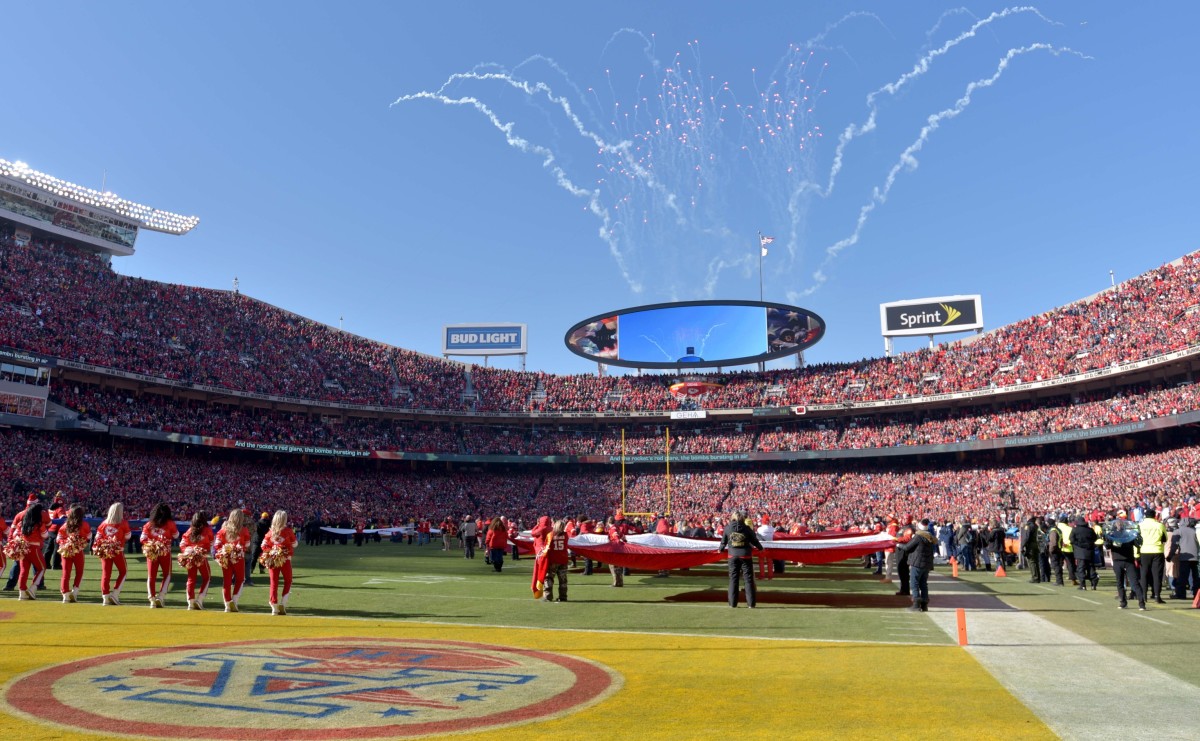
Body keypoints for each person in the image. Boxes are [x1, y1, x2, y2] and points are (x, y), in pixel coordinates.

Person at [718, 511, 764, 608]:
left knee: (733, 579)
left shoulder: (728, 528)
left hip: (732, 556)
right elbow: (754, 540)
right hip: (745, 555)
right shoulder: (747, 529)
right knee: (748, 580)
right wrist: (760, 548)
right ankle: (751, 604)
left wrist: (720, 549)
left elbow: (723, 542)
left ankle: (732, 603)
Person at [260, 510, 297, 615]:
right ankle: (283, 603)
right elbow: (295, 544)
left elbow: (263, 545)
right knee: (288, 580)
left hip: (272, 560)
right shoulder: (288, 531)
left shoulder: (270, 532)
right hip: (285, 559)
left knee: (274, 582)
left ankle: (274, 605)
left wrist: (272, 551)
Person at [141, 503, 177, 609]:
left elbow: (142, 538)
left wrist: (152, 543)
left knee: (151, 576)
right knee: (167, 574)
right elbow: (176, 535)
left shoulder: (149, 524)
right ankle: (161, 597)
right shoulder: (170, 523)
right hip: (165, 552)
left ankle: (152, 599)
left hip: (151, 552)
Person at [93, 502, 131, 605]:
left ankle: (105, 597)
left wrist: (106, 543)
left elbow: (97, 538)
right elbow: (128, 536)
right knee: (123, 571)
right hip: (118, 551)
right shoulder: (123, 523)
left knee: (106, 573)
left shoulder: (103, 523)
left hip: (105, 551)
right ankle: (115, 594)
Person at [214, 508, 251, 612]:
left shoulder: (223, 530)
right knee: (240, 579)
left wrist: (225, 550)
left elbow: (217, 545)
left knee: (227, 580)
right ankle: (234, 601)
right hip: (238, 558)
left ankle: (227, 604)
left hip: (225, 557)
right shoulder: (244, 530)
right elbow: (247, 544)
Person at [1104, 519, 1145, 610]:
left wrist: (1138, 536)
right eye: (1118, 525)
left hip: (1128, 561)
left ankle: (1141, 603)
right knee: (1120, 582)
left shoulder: (1129, 534)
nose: (1119, 526)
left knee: (1134, 582)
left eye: (1120, 524)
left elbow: (1138, 544)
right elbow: (1107, 546)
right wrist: (1106, 539)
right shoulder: (1112, 535)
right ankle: (1123, 602)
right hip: (1118, 561)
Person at [898, 518, 937, 611]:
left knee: (914, 583)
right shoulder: (930, 537)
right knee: (923, 584)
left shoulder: (918, 537)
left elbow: (907, 547)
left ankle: (916, 603)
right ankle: (924, 605)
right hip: (927, 564)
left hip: (917, 562)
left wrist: (898, 545)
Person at [178, 512, 213, 611]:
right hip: (201, 558)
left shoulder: (190, 530)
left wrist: (189, 551)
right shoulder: (207, 530)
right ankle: (200, 600)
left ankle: (190, 602)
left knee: (191, 579)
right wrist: (200, 551)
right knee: (207, 577)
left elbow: (182, 544)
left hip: (190, 558)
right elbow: (211, 543)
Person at [14, 502, 49, 600]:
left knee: (24, 570)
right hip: (34, 548)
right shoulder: (38, 523)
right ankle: (33, 588)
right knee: (42, 568)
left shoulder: (22, 522)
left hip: (23, 547)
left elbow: (15, 534)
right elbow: (45, 535)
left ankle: (22, 593)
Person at [55, 505, 89, 603]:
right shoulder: (85, 524)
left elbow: (58, 539)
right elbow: (88, 537)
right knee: (79, 572)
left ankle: (65, 595)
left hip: (66, 552)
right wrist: (77, 543)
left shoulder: (65, 525)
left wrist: (67, 544)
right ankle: (75, 592)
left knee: (66, 573)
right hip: (78, 551)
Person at [1138, 507, 1168, 604]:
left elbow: (1136, 539)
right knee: (1157, 575)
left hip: (1144, 551)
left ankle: (1144, 596)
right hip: (1157, 551)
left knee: (1144, 575)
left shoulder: (1140, 525)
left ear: (1145, 516)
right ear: (1155, 515)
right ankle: (1157, 596)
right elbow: (1165, 538)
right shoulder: (1160, 525)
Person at [1166, 516, 1198, 600]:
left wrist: (1170, 556)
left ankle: (1181, 594)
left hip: (1185, 557)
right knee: (1195, 577)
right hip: (1195, 557)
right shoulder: (1194, 531)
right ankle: (1196, 594)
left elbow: (1174, 545)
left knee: (1182, 577)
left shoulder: (1178, 531)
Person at [1070, 516, 1099, 590]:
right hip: (1089, 551)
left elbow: (1072, 540)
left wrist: (1079, 544)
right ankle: (1093, 583)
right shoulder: (1090, 530)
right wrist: (1089, 544)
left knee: (1081, 568)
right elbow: (1095, 538)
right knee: (1091, 567)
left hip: (1080, 552)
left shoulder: (1075, 530)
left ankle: (1083, 585)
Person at [606, 514, 629, 587]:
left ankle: (616, 582)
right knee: (619, 566)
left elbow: (616, 538)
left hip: (614, 549)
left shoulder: (613, 529)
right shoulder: (617, 528)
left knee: (613, 566)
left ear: (608, 522)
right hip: (619, 550)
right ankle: (620, 582)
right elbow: (623, 537)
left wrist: (617, 543)